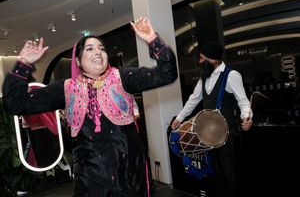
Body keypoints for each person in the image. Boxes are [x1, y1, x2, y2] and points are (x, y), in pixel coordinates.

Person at [2, 17, 177, 197]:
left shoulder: (123, 77)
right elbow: (15, 104)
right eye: (90, 49)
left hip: (130, 174)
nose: (98, 52)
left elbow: (167, 74)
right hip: (90, 180)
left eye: (102, 49)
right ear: (77, 61)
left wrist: (152, 39)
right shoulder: (65, 88)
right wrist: (24, 63)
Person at [171, 41, 253, 197]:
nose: (200, 61)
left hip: (226, 136)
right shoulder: (204, 78)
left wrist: (247, 117)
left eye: (203, 58)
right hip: (206, 137)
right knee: (213, 175)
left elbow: (243, 101)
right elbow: (193, 99)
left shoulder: (231, 75)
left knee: (229, 175)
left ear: (214, 59)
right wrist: (179, 118)